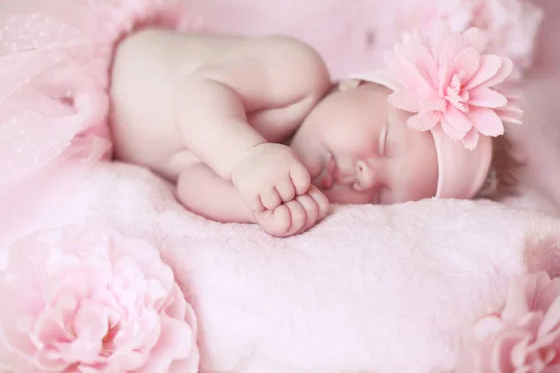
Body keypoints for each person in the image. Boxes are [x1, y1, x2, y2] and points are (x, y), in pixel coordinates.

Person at [110, 25, 523, 237]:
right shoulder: (299, 71)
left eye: (381, 195)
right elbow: (197, 95)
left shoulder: (288, 169)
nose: (364, 177)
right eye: (383, 143)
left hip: (102, 132)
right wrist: (245, 158)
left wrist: (258, 206)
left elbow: (191, 183)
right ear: (356, 84)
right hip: (104, 68)